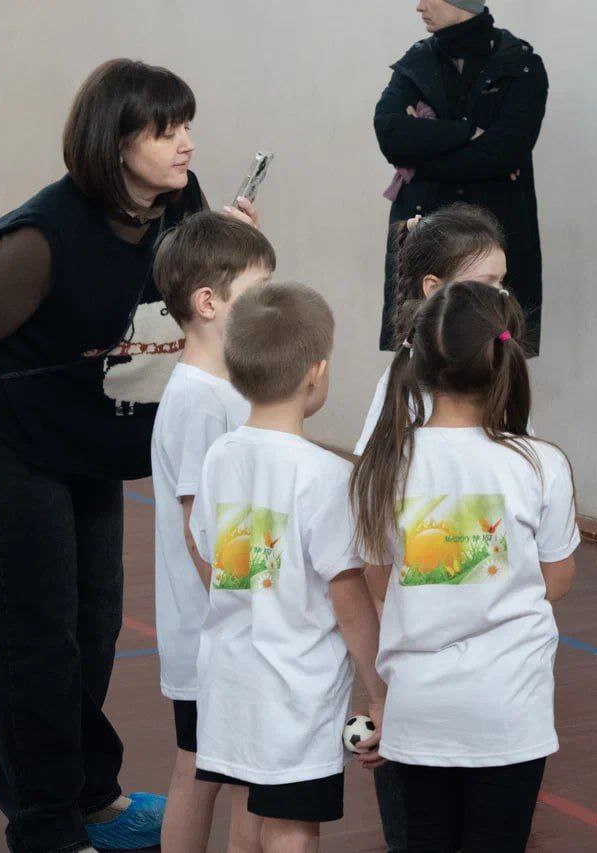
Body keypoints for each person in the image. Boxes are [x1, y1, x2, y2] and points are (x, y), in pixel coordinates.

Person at [0, 58, 257, 853]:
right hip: (6, 443)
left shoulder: (182, 207)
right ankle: (45, 827)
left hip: (88, 444)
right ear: (115, 140)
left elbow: (204, 303)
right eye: (166, 130)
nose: (186, 143)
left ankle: (92, 797)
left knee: (93, 627)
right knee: (32, 638)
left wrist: (232, 250)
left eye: (188, 125)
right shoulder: (39, 241)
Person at [353, 282, 579, 853]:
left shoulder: (385, 464)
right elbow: (556, 578)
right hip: (510, 708)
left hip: (419, 709)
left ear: (420, 363)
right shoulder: (541, 463)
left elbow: (378, 578)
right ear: (505, 357)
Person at [189, 283, 387, 851]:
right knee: (291, 831)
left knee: (244, 823)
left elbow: (207, 549)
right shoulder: (327, 477)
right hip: (296, 695)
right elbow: (350, 604)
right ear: (315, 373)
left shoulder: (219, 456)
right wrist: (380, 690)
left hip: (228, 683)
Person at [149, 212, 275, 851]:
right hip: (217, 631)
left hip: (222, 627)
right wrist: (247, 613)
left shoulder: (221, 390)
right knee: (222, 772)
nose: (271, 308)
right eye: (258, 293)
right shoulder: (200, 400)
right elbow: (201, 532)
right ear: (209, 303)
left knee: (209, 769)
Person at [374, 0, 548, 354]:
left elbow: (504, 152)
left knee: (493, 357)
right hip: (426, 233)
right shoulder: (416, 62)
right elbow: (390, 134)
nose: (419, 6)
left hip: (495, 231)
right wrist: (469, 132)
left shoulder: (519, 65)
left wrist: (422, 157)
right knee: (420, 355)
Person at [356, 203, 507, 456]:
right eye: (486, 282)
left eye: (501, 281)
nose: (501, 294)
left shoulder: (500, 360)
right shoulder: (407, 374)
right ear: (434, 289)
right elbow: (372, 463)